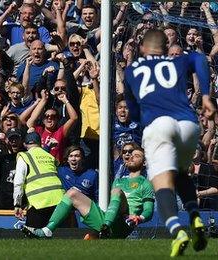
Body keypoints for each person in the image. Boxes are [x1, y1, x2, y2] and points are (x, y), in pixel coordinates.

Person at [123, 29, 213, 256]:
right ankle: (195, 217)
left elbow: (132, 112)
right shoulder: (177, 62)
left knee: (161, 183)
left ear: (142, 48)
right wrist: (204, 96)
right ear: (166, 48)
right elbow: (201, 58)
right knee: (181, 173)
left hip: (159, 125)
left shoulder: (133, 70)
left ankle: (177, 230)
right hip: (189, 125)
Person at [25, 147, 154, 239]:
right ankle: (47, 231)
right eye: (130, 154)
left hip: (125, 222)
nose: (131, 156)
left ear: (144, 162)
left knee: (117, 191)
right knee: (72, 193)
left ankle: (105, 228)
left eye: (136, 155)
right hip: (108, 220)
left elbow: (149, 210)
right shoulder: (118, 181)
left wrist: (139, 218)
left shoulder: (145, 183)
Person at [13, 132, 64, 229]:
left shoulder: (24, 156)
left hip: (38, 202)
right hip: (59, 200)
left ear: (24, 144)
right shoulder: (49, 156)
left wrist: (17, 204)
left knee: (34, 239)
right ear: (40, 143)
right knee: (60, 237)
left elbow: (18, 182)